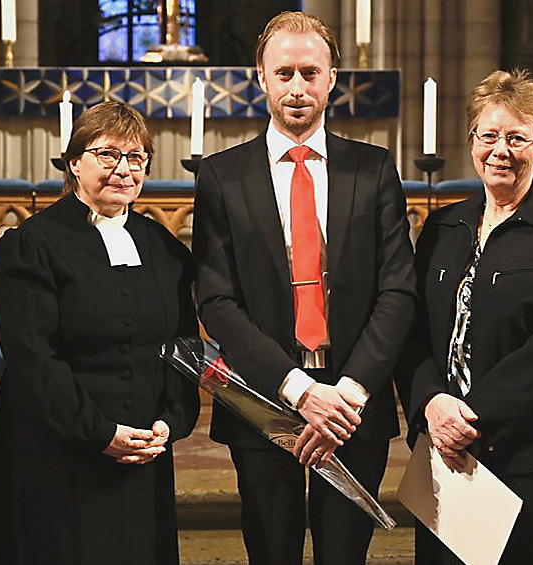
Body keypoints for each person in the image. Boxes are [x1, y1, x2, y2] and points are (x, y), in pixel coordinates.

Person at [193, 11, 415, 565]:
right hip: (265, 400)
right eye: (285, 73)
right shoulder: (223, 176)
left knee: (345, 556)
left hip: (352, 408)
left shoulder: (374, 169)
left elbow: (398, 291)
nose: (298, 88)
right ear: (261, 78)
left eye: (310, 73)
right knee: (272, 552)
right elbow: (217, 300)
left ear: (333, 77)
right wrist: (298, 390)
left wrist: (349, 394)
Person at [0, 100, 200, 565]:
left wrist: (171, 422)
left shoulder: (163, 246)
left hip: (142, 450)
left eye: (136, 157)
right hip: (58, 453)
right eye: (108, 155)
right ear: (75, 162)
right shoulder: (32, 243)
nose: (123, 169)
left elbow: (183, 343)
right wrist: (99, 432)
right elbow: (34, 357)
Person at [404, 69, 533, 565]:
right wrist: (430, 404)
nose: (500, 150)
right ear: (472, 141)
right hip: (445, 452)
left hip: (530, 454)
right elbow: (412, 331)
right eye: (488, 135)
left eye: (517, 138)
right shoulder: (442, 225)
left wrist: (468, 418)